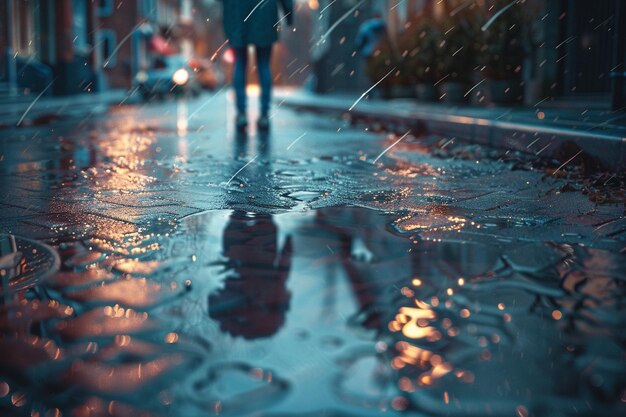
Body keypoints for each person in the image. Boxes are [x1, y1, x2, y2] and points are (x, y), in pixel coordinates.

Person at [221, 0, 294, 131]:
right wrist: (289, 15)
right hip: (264, 12)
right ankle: (264, 115)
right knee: (264, 65)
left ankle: (241, 113)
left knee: (240, 63)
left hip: (237, 14)